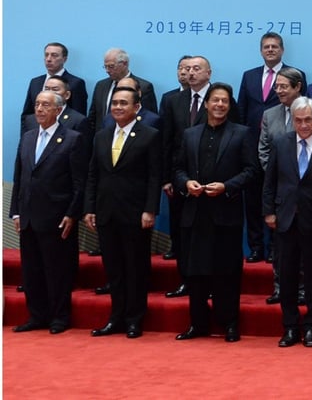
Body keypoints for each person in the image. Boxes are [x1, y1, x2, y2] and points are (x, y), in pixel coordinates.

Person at [172, 83, 256, 343]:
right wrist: (186, 183)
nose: (220, 105)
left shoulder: (242, 134)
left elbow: (251, 171)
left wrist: (227, 187)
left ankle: (229, 323)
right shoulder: (189, 134)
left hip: (226, 213)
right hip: (195, 213)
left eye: (225, 101)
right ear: (206, 104)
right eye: (215, 100)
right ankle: (198, 324)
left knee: (227, 273)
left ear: (230, 107)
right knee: (195, 273)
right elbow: (177, 169)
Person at [263, 96, 312, 348]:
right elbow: (270, 182)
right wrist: (269, 212)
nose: (304, 125)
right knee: (286, 276)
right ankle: (289, 327)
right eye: (299, 120)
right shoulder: (281, 143)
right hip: (285, 220)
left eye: (308, 119)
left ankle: (311, 327)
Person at [83, 86, 161, 339]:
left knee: (135, 269)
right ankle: (115, 317)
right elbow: (93, 174)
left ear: (136, 107)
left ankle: (134, 319)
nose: (117, 107)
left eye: (123, 103)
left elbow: (153, 177)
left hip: (136, 214)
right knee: (114, 269)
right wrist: (90, 208)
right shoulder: (101, 136)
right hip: (106, 213)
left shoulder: (149, 135)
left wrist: (150, 210)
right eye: (115, 102)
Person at [10, 91, 87, 334]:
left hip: (57, 216)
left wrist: (72, 214)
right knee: (31, 271)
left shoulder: (73, 139)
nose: (40, 109)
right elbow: (20, 177)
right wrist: (15, 212)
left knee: (57, 271)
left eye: (46, 105)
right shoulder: (28, 137)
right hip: (29, 216)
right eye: (37, 104)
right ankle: (37, 316)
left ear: (58, 110)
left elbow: (79, 182)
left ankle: (59, 317)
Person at [259, 68, 312, 304]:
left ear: (298, 87)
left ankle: (304, 293)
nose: (278, 90)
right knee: (282, 253)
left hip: (311, 200)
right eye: (276, 86)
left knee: (309, 256)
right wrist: (282, 170)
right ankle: (280, 288)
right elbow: (264, 149)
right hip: (283, 192)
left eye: (283, 85)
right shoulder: (269, 115)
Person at [237, 32, 306, 264]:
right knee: (254, 199)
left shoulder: (295, 75)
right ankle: (256, 247)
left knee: (282, 202)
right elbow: (242, 112)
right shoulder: (249, 76)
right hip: (254, 148)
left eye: (274, 46)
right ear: (260, 50)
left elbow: (302, 113)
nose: (270, 50)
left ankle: (277, 248)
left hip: (287, 152)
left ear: (282, 50)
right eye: (266, 46)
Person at [160, 55, 214, 296]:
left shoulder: (221, 99)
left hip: (213, 181)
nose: (191, 73)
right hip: (181, 179)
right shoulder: (174, 101)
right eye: (187, 69)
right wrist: (167, 177)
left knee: (210, 234)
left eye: (196, 69)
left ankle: (212, 283)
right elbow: (167, 141)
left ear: (208, 73)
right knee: (182, 232)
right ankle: (186, 280)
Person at [88, 48, 158, 132]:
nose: (107, 71)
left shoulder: (143, 87)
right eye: (105, 67)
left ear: (125, 64)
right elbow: (93, 117)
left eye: (111, 66)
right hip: (103, 139)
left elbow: (149, 120)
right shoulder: (101, 85)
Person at [22, 41, 89, 116]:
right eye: (46, 55)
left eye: (54, 55)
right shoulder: (35, 82)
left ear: (64, 59)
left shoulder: (76, 83)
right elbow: (27, 113)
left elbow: (79, 116)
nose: (49, 59)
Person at [21, 76, 92, 144]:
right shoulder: (31, 120)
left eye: (55, 89)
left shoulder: (78, 121)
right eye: (47, 89)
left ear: (67, 95)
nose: (50, 93)